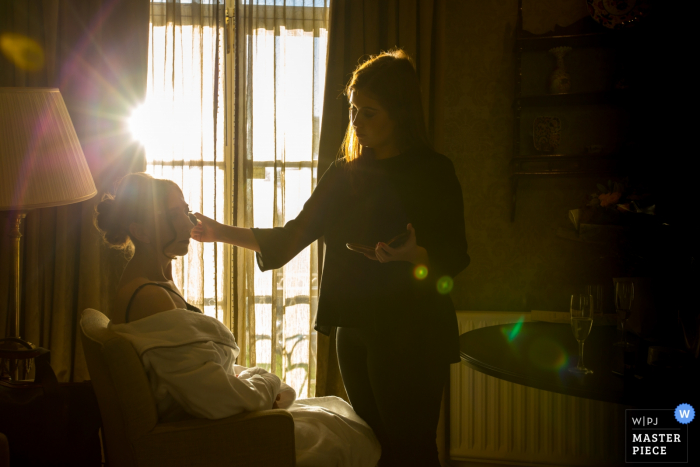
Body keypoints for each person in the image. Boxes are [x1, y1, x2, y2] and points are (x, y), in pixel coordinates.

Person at [192, 48, 470, 467]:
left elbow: (456, 255)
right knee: (378, 448)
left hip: (413, 331)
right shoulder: (345, 175)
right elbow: (290, 239)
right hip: (355, 330)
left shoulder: (434, 172)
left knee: (413, 449)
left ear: (400, 112)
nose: (356, 122)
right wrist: (218, 233)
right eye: (353, 110)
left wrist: (416, 256)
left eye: (369, 113)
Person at [94, 173, 381, 467]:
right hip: (208, 435)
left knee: (337, 416)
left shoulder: (157, 283)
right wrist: (268, 383)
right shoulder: (149, 297)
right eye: (173, 214)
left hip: (212, 420)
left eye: (185, 209)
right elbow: (212, 396)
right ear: (140, 231)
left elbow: (198, 374)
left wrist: (259, 383)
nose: (190, 222)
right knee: (343, 438)